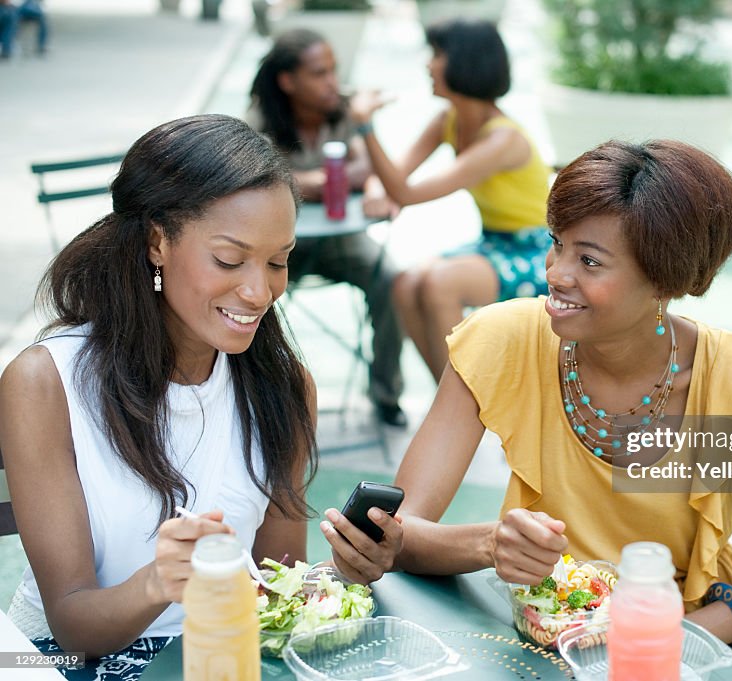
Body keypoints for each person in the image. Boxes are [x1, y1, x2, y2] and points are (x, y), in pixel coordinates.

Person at [322, 140, 732, 681]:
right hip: (529, 636)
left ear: (666, 280)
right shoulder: (501, 340)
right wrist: (490, 543)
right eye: (556, 245)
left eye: (589, 261)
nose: (556, 273)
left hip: (683, 644)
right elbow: (400, 532)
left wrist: (657, 639)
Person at [0, 114, 401, 679]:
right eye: (230, 260)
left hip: (213, 648)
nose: (260, 291)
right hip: (53, 658)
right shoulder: (46, 384)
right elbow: (73, 626)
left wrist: (341, 576)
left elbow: (273, 579)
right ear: (157, 241)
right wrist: (158, 582)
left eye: (278, 261)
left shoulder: (283, 388)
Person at [348, 19, 552, 382]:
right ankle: (456, 400)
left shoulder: (502, 140)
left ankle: (466, 407)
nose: (428, 64)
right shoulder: (450, 119)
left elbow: (405, 192)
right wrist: (378, 191)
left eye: (437, 55)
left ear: (464, 63)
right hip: (493, 243)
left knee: (440, 282)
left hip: (539, 253)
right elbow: (395, 176)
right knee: (405, 284)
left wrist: (365, 125)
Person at [248, 28, 407, 427]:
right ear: (288, 81)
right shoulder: (259, 120)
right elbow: (251, 180)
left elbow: (369, 165)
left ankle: (386, 393)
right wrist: (327, 179)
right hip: (273, 248)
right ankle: (257, 395)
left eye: (333, 71)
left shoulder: (344, 109)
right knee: (247, 294)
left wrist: (365, 184)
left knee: (392, 279)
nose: (332, 82)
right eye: (320, 73)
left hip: (341, 240)